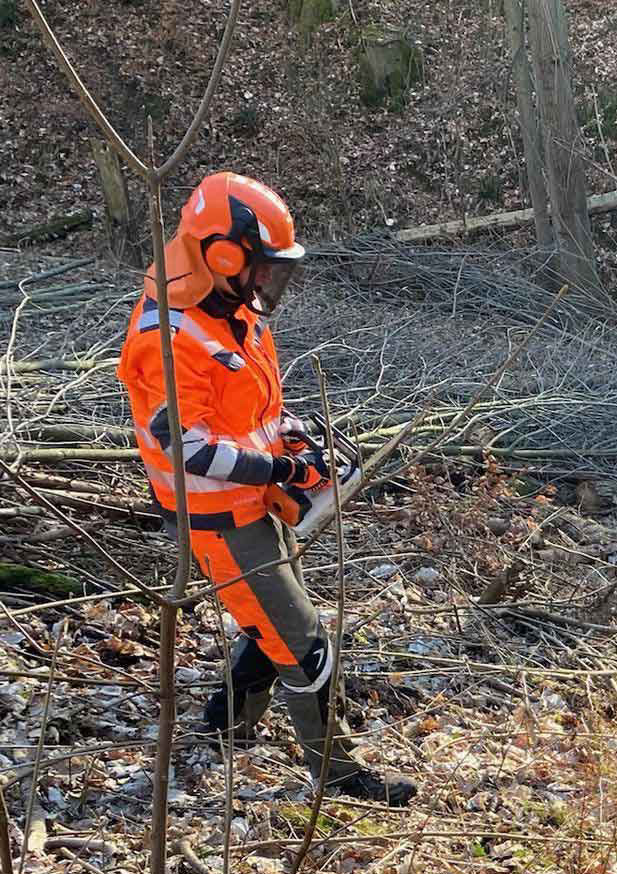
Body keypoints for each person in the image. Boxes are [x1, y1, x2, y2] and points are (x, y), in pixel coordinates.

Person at [117, 171, 415, 806]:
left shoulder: (234, 316)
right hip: (216, 515)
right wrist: (278, 470)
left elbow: (255, 413)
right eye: (262, 268)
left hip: (251, 500)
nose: (268, 285)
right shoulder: (166, 340)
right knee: (303, 644)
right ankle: (335, 775)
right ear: (221, 256)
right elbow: (188, 446)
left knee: (265, 616)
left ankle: (227, 723)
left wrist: (300, 439)